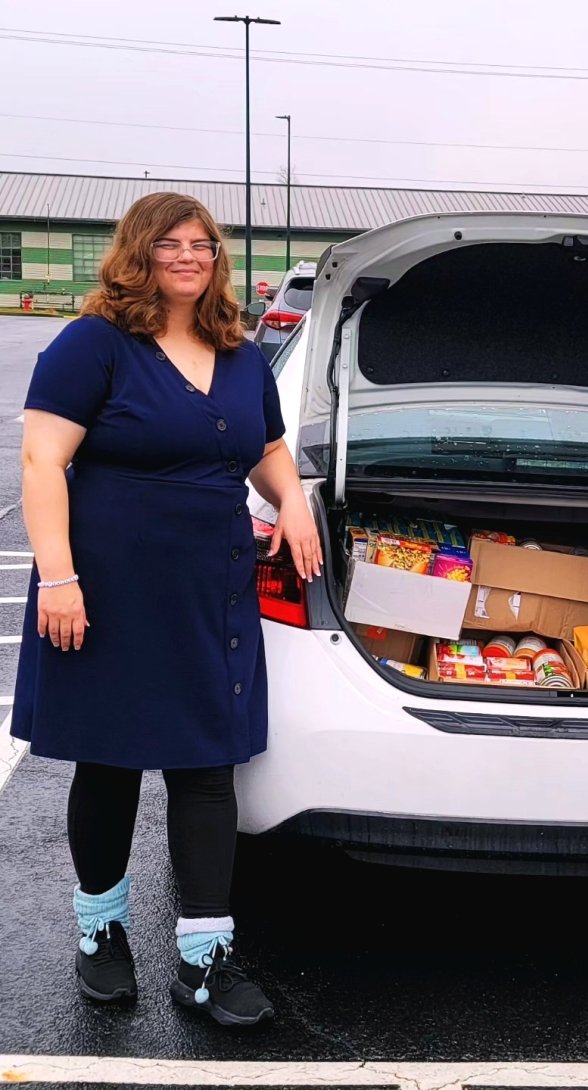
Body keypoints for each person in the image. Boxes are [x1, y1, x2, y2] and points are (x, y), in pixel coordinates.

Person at [12, 192, 322, 1027]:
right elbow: (43, 461)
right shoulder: (95, 344)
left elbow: (263, 448)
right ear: (138, 252)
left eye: (204, 245)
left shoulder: (240, 351)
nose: (190, 256)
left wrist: (290, 501)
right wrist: (59, 578)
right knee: (108, 763)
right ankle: (100, 933)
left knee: (204, 767)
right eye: (172, 244)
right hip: (104, 587)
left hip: (206, 589)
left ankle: (203, 961)